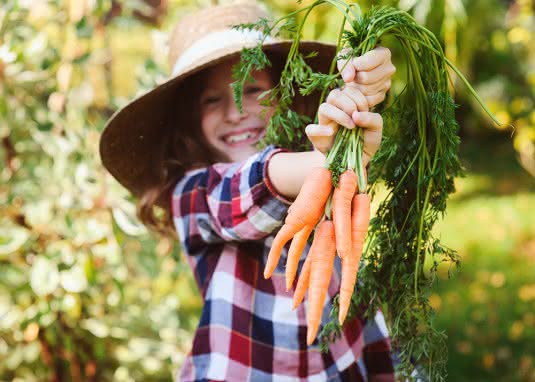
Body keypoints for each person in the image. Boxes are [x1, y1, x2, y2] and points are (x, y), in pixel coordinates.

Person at [99, 1, 399, 381]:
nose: (236, 110)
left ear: (285, 95)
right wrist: (328, 165)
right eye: (212, 99)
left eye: (252, 89)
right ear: (188, 121)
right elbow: (249, 187)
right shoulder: (193, 196)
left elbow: (364, 321)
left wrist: (361, 90)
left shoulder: (322, 182)